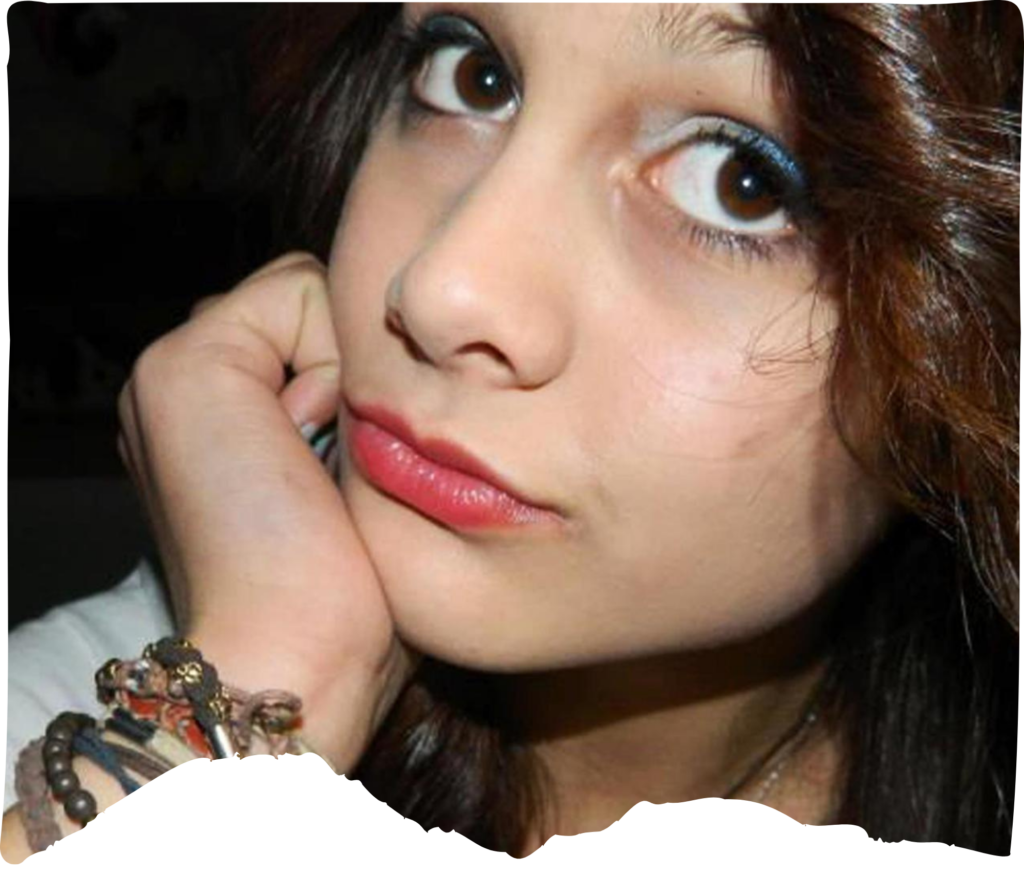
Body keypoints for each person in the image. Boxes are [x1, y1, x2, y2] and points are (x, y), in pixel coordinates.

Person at [3, 1, 1019, 862]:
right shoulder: (71, 716)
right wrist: (265, 689)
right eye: (471, 75)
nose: (442, 286)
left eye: (737, 180)